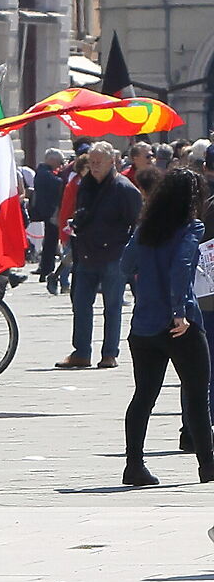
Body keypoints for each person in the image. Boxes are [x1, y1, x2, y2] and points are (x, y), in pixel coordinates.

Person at [120, 167, 214, 487]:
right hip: (179, 323)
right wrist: (178, 311)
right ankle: (207, 465)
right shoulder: (191, 227)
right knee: (197, 394)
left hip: (144, 324)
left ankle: (134, 465)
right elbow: (182, 265)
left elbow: (125, 264)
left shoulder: (145, 228)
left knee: (143, 396)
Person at [60, 141, 140, 371]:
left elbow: (136, 223)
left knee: (112, 306)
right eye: (91, 162)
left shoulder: (124, 188)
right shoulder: (86, 184)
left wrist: (130, 254)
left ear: (111, 162)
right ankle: (81, 352)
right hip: (86, 253)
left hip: (113, 255)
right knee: (80, 304)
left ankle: (109, 353)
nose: (94, 166)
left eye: (98, 162)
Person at [30, 146, 67, 289]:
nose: (60, 164)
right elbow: (58, 183)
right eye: (59, 161)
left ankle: (46, 268)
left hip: (49, 210)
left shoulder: (45, 172)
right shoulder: (44, 173)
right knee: (50, 242)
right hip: (50, 211)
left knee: (50, 241)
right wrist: (63, 174)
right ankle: (46, 269)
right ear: (51, 160)